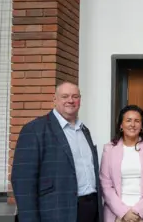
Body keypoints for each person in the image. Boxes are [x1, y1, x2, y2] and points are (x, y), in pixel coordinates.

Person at [11, 81, 103, 222]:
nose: (70, 101)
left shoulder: (84, 130)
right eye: (65, 96)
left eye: (75, 96)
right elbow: (23, 182)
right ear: (55, 99)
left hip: (89, 210)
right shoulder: (35, 130)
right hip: (56, 212)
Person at [99, 105, 143, 222]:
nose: (132, 125)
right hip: (117, 214)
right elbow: (105, 185)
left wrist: (138, 211)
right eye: (128, 120)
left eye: (137, 121)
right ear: (121, 125)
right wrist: (124, 212)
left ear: (142, 126)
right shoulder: (109, 149)